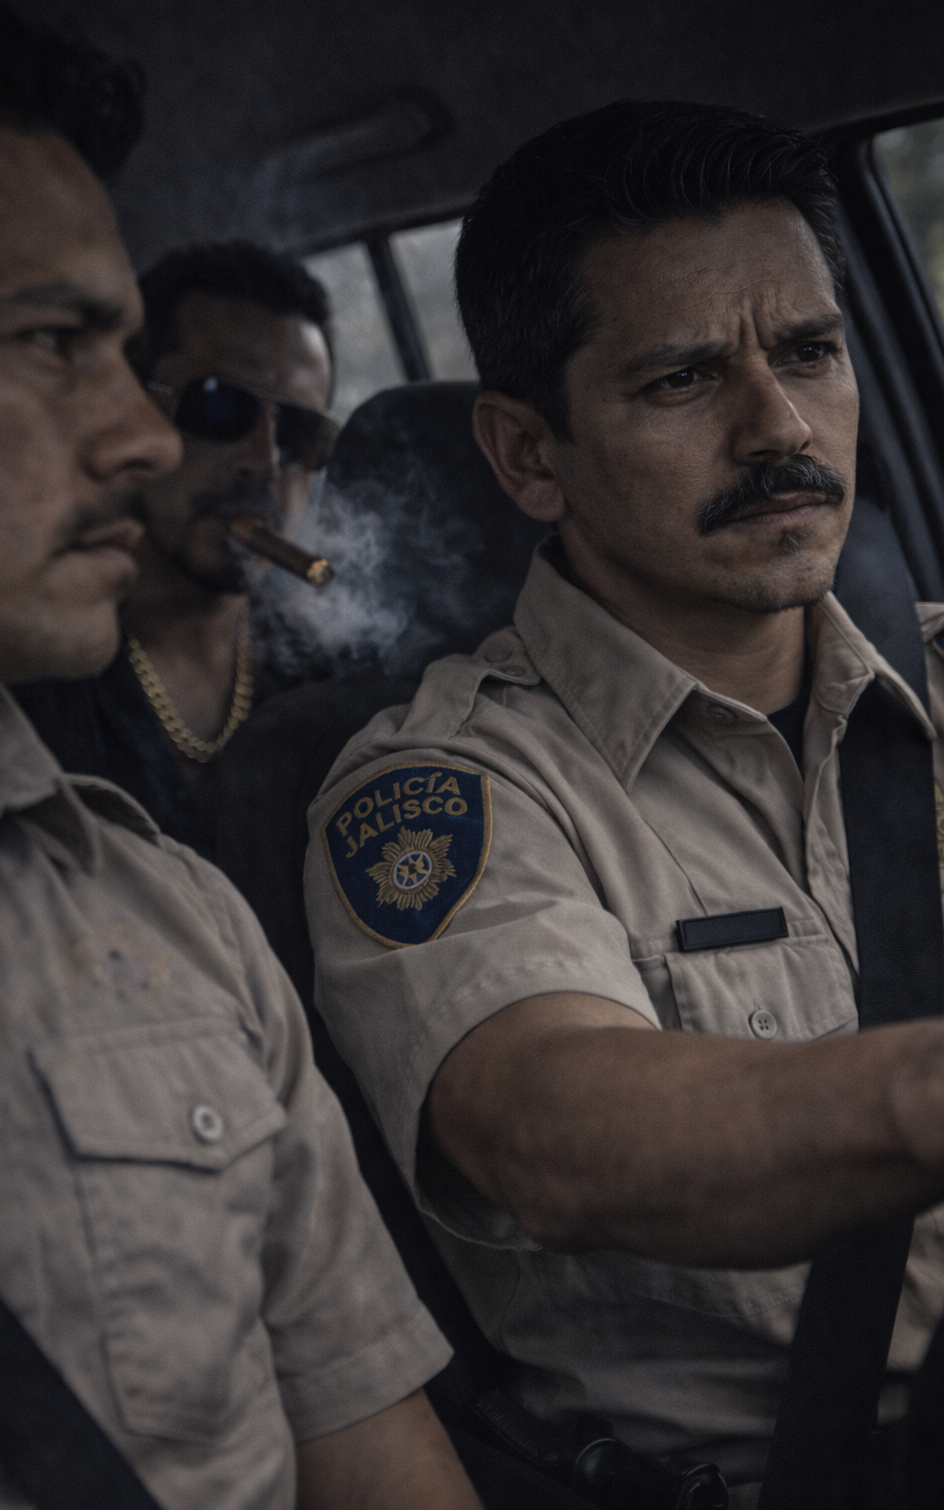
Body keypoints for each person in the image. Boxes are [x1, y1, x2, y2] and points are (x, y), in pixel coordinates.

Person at [303, 101, 944, 1503]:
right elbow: (553, 1129)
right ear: (531, 455)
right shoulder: (450, 790)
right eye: (681, 381)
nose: (780, 426)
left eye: (811, 353)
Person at [0, 0, 483, 1510]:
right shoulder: (38, 708)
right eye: (224, 408)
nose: (227, 461)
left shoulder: (353, 695)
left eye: (299, 438)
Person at [13, 240, 339, 860]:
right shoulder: (30, 676)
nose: (264, 463)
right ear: (130, 409)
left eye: (298, 432)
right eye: (221, 406)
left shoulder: (336, 671)